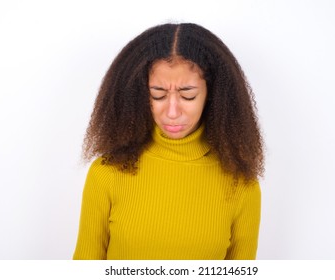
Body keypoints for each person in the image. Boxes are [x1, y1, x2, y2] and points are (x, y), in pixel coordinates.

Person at [73, 23, 264, 260]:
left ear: (213, 94)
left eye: (188, 95)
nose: (172, 112)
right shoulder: (106, 173)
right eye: (158, 94)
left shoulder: (241, 184)